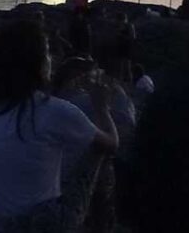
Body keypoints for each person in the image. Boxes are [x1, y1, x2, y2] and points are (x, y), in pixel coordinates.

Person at [0, 20, 118, 232]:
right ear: (38, 63)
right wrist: (101, 107)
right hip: (35, 224)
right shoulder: (54, 110)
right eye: (47, 54)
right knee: (98, 152)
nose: (50, 59)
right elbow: (112, 144)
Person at [52, 58, 136, 233]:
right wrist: (102, 108)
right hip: (76, 189)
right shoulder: (77, 105)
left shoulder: (51, 105)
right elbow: (116, 141)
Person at [114, 14, 136, 83]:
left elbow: (133, 37)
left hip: (127, 48)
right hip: (120, 47)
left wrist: (122, 36)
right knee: (120, 66)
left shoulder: (129, 26)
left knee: (127, 66)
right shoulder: (119, 26)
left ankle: (130, 82)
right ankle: (120, 81)